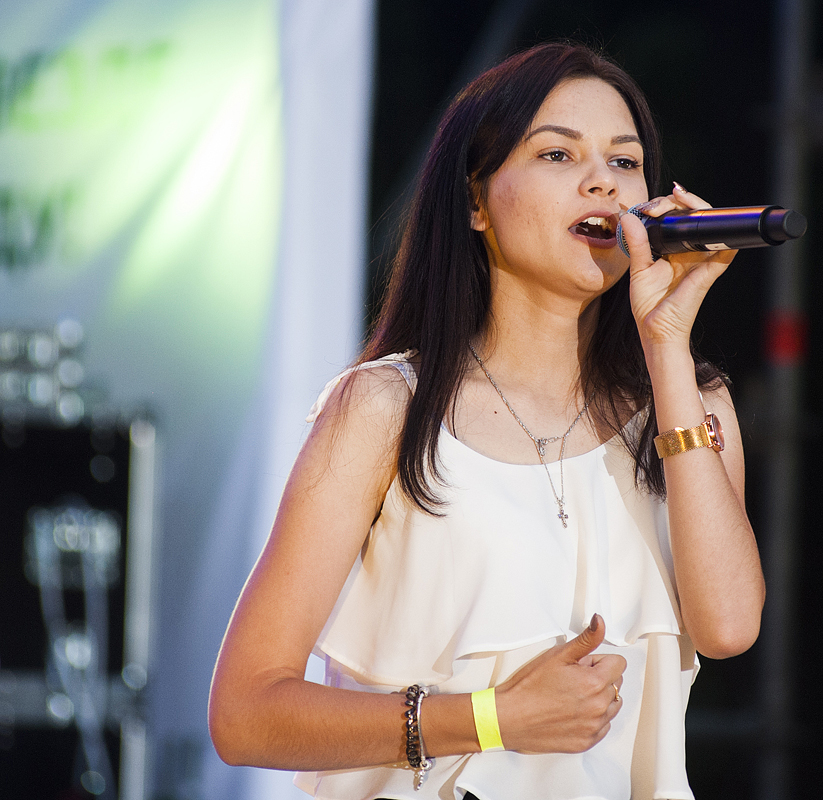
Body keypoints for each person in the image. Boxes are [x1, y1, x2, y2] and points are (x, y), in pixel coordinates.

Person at [207, 42, 765, 800]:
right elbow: (245, 713)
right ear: (476, 200)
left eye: (625, 161)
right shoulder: (386, 410)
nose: (602, 181)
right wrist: (490, 719)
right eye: (558, 154)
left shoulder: (689, 406)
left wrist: (665, 344)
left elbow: (728, 626)